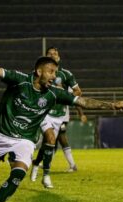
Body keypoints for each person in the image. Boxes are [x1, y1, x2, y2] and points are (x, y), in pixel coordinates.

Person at [0, 45, 123, 202]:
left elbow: (83, 101)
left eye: (55, 72)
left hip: (25, 139)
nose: (54, 76)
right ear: (39, 71)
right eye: (51, 71)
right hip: (2, 134)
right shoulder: (20, 81)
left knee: (17, 175)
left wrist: (111, 105)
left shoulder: (54, 94)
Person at [30, 47, 86, 188]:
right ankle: (47, 175)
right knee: (49, 139)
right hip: (44, 111)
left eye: (55, 54)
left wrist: (67, 94)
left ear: (59, 58)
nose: (53, 56)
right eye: (50, 54)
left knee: (49, 142)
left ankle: (37, 164)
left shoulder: (66, 74)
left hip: (60, 114)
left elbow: (78, 92)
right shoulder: (40, 73)